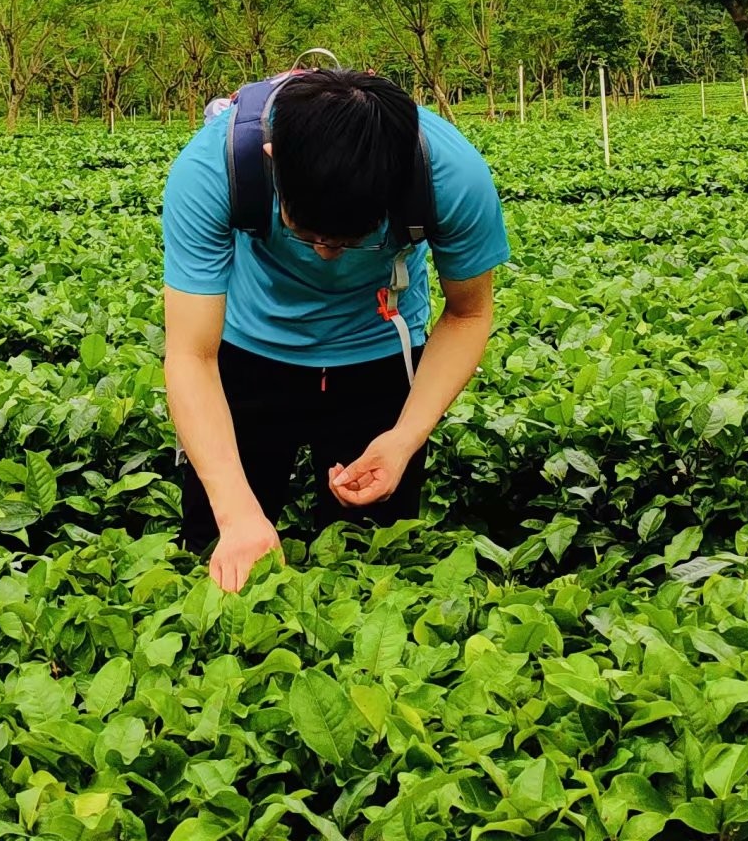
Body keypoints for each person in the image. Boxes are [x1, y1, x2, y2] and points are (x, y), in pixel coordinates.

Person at [161, 68, 507, 591]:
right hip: (249, 349)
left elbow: (468, 314)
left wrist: (403, 439)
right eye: (309, 234)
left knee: (374, 563)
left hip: (378, 350)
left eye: (351, 240)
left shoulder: (451, 175)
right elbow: (191, 354)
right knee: (219, 550)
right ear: (274, 162)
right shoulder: (213, 167)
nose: (327, 255)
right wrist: (236, 514)